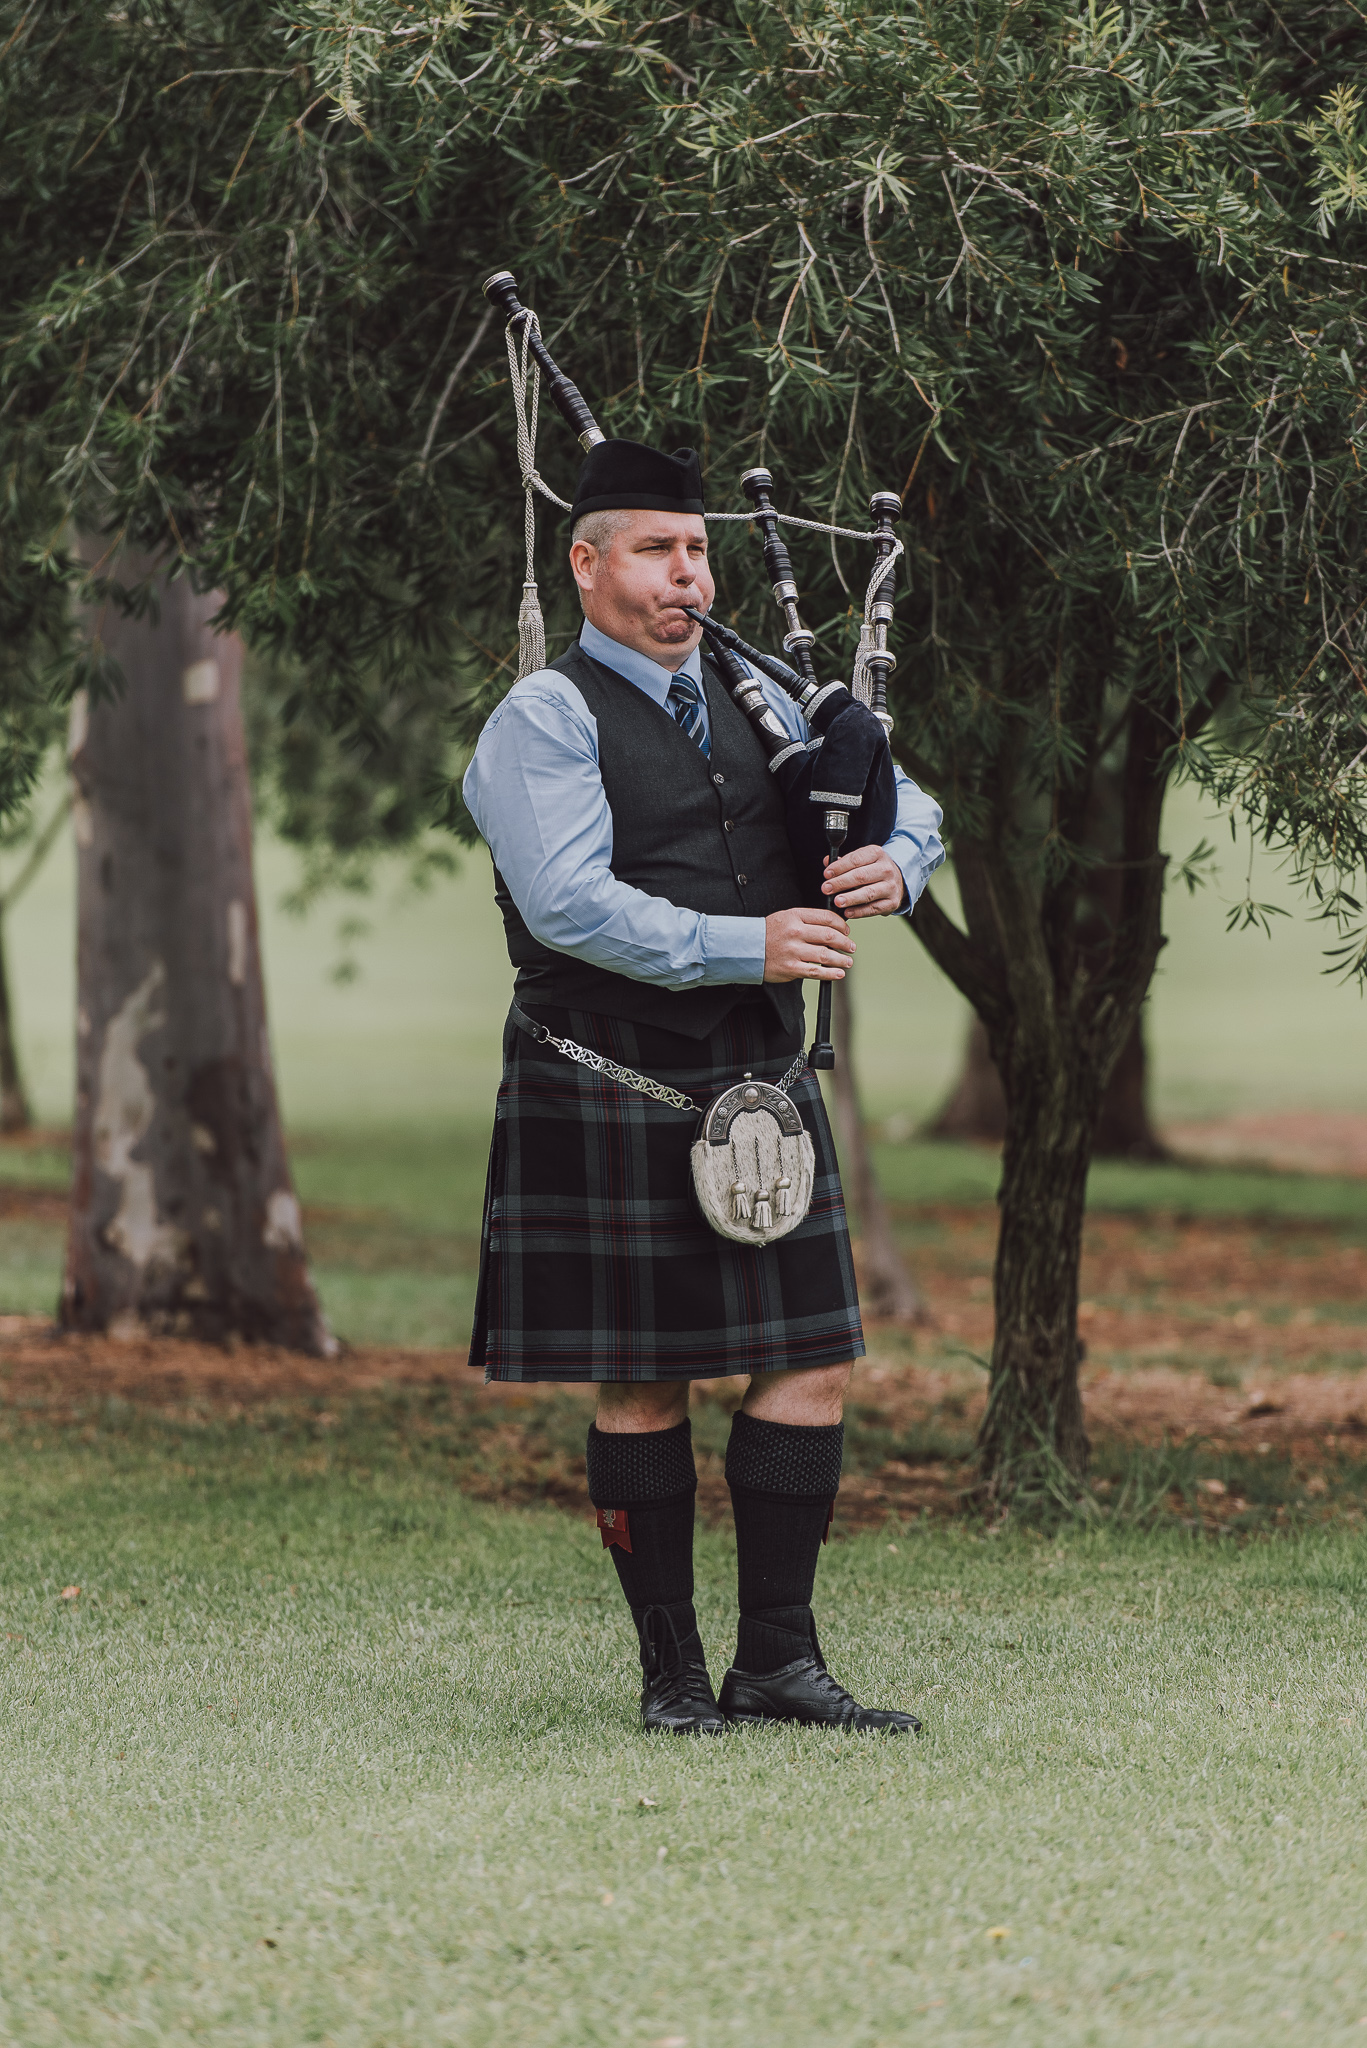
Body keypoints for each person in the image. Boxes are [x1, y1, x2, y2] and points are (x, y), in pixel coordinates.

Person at [464, 437, 944, 1735]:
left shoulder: (762, 694)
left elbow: (912, 801)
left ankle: (778, 1662)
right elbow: (567, 906)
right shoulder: (545, 718)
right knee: (644, 1377)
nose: (690, 577)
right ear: (588, 562)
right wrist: (756, 943)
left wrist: (895, 864)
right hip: (607, 1071)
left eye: (699, 552)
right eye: (659, 550)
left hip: (759, 1076)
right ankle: (673, 1672)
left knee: (809, 1363)